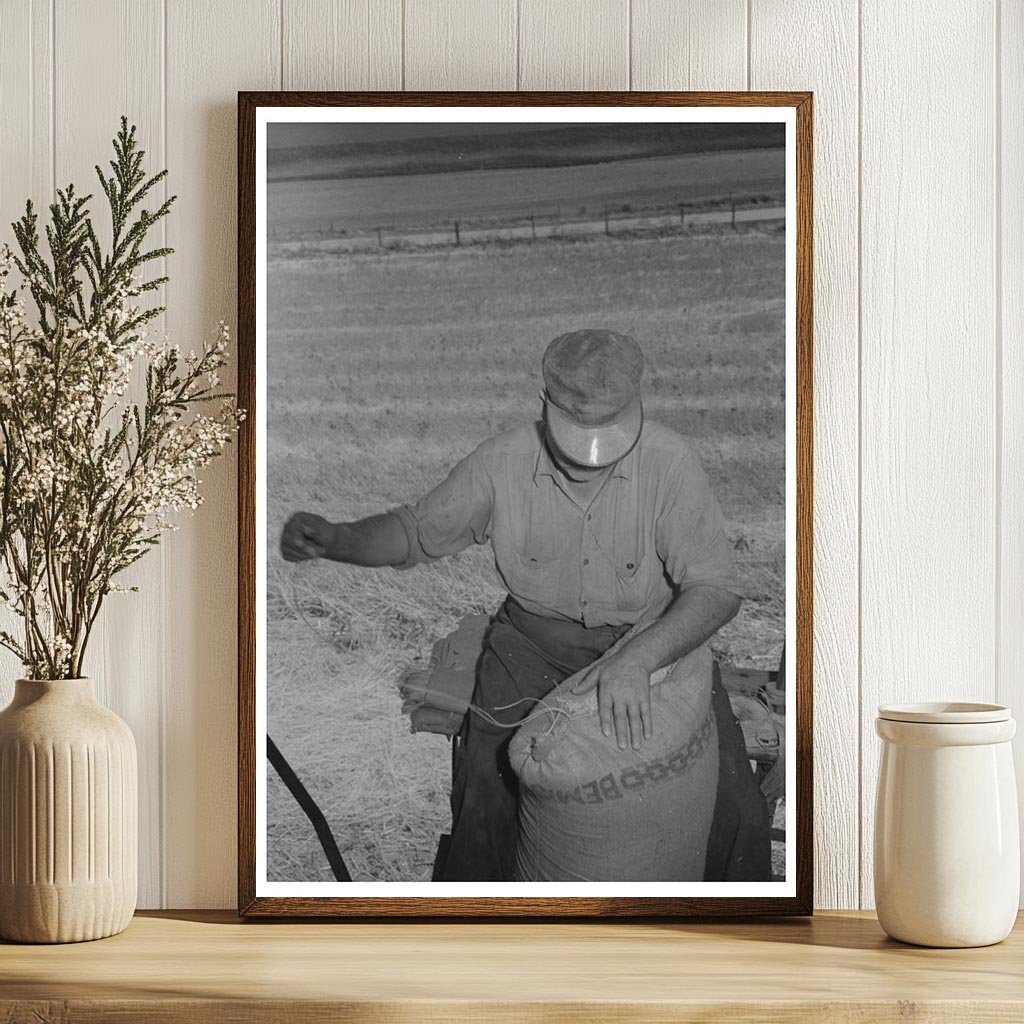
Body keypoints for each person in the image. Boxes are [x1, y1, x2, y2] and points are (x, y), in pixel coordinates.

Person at [281, 329, 770, 882]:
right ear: (545, 404)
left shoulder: (670, 462)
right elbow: (413, 533)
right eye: (575, 432)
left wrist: (639, 661)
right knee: (490, 796)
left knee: (732, 803)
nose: (589, 456)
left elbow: (716, 589)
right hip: (532, 648)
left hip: (649, 644)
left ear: (636, 408)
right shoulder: (502, 461)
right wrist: (337, 540)